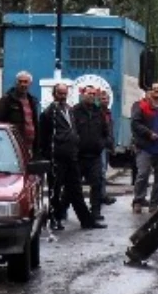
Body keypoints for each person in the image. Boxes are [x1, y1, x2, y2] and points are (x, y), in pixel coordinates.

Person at [38, 83, 105, 230]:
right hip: (57, 157)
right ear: (54, 94)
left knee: (76, 190)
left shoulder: (69, 110)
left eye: (64, 93)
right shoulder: (49, 112)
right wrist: (47, 156)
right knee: (55, 191)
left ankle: (86, 221)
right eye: (60, 93)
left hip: (72, 156)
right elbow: (42, 137)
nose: (62, 96)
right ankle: (54, 219)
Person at [131, 83, 158, 214]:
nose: (157, 91)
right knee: (143, 174)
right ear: (150, 91)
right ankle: (138, 200)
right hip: (145, 147)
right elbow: (135, 123)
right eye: (154, 89)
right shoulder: (141, 106)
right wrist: (148, 133)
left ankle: (154, 205)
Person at [72, 86, 111, 222]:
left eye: (94, 94)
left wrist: (102, 143)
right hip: (78, 156)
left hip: (94, 155)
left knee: (97, 183)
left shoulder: (99, 112)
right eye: (89, 93)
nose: (91, 96)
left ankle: (95, 212)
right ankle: (61, 212)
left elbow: (105, 132)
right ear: (83, 94)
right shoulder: (75, 111)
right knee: (73, 186)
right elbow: (71, 131)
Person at [0, 71, 41, 160]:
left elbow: (34, 123)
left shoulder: (32, 101)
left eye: (25, 82)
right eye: (20, 81)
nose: (22, 84)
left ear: (30, 84)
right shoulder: (7, 100)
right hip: (11, 146)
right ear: (16, 83)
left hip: (29, 147)